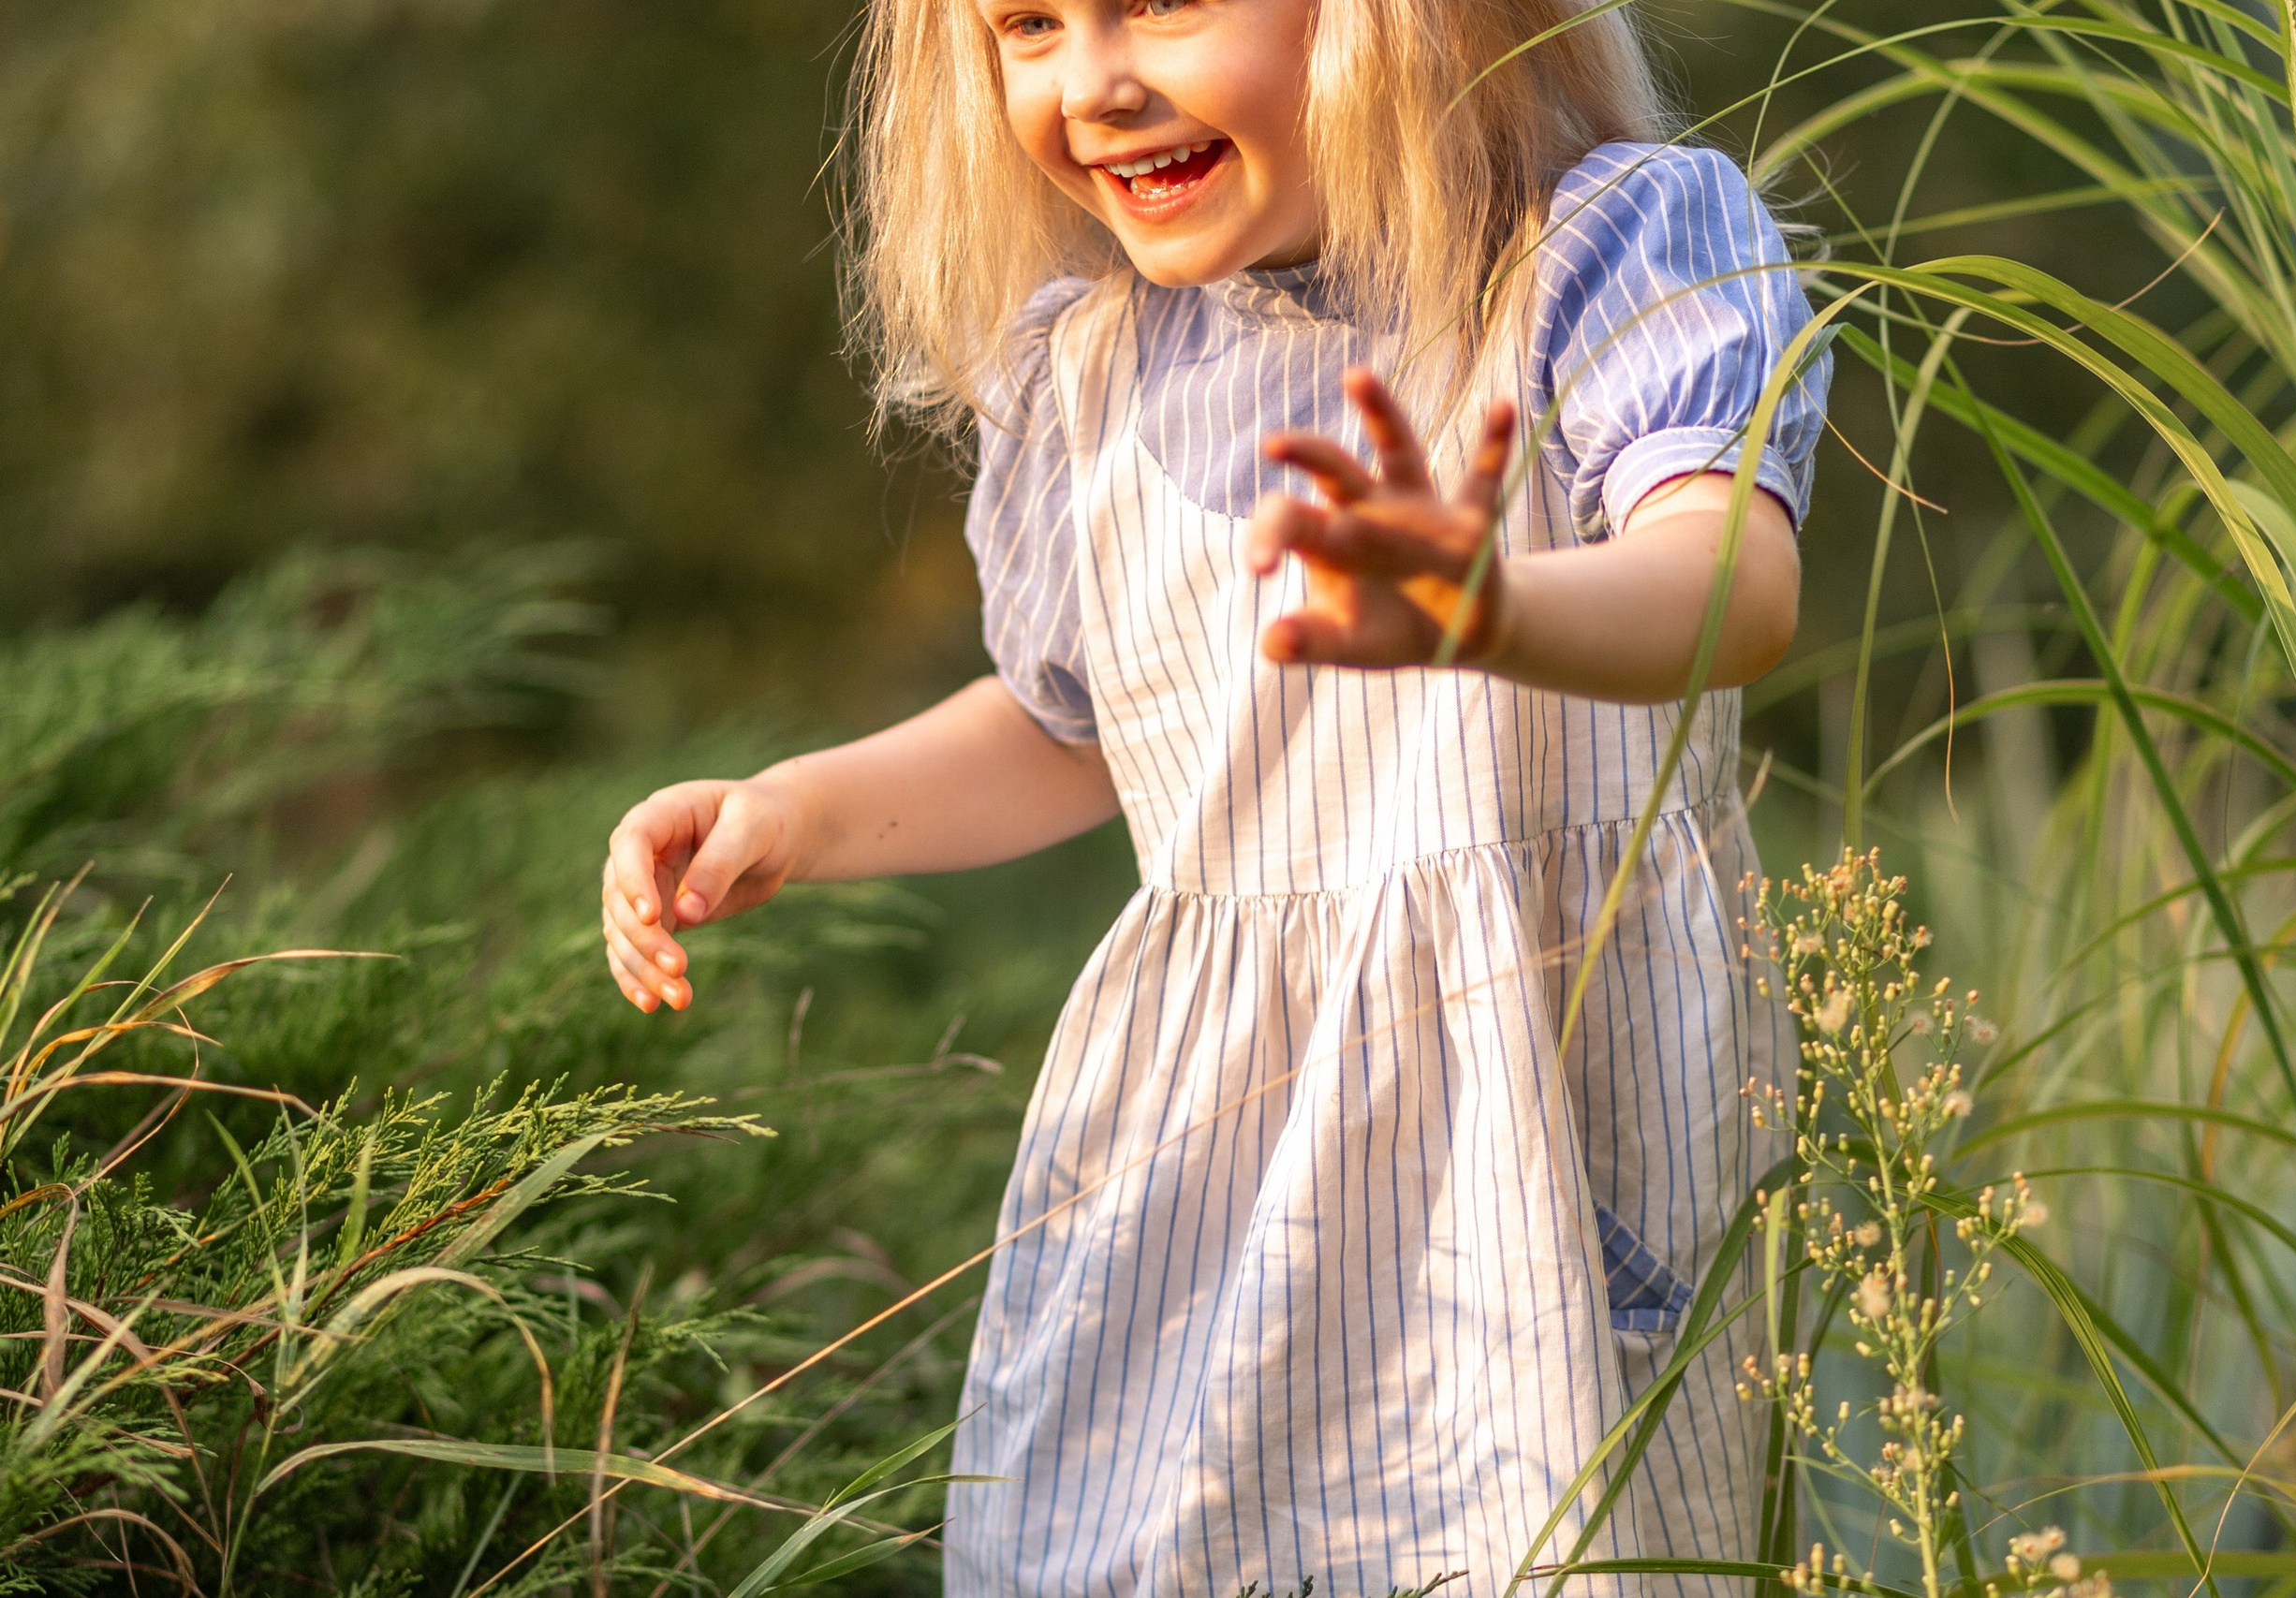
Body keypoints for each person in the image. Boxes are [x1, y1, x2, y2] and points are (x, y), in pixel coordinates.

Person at [599, 0, 1826, 1587]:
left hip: (1540, 1101)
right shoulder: (1092, 364)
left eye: (1161, 3)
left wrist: (1492, 606)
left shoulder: (1598, 248)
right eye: (1029, 23)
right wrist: (801, 809)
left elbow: (1733, 587)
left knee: (1566, 1544)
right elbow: (1075, 729)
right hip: (1212, 1149)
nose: (1095, 84)